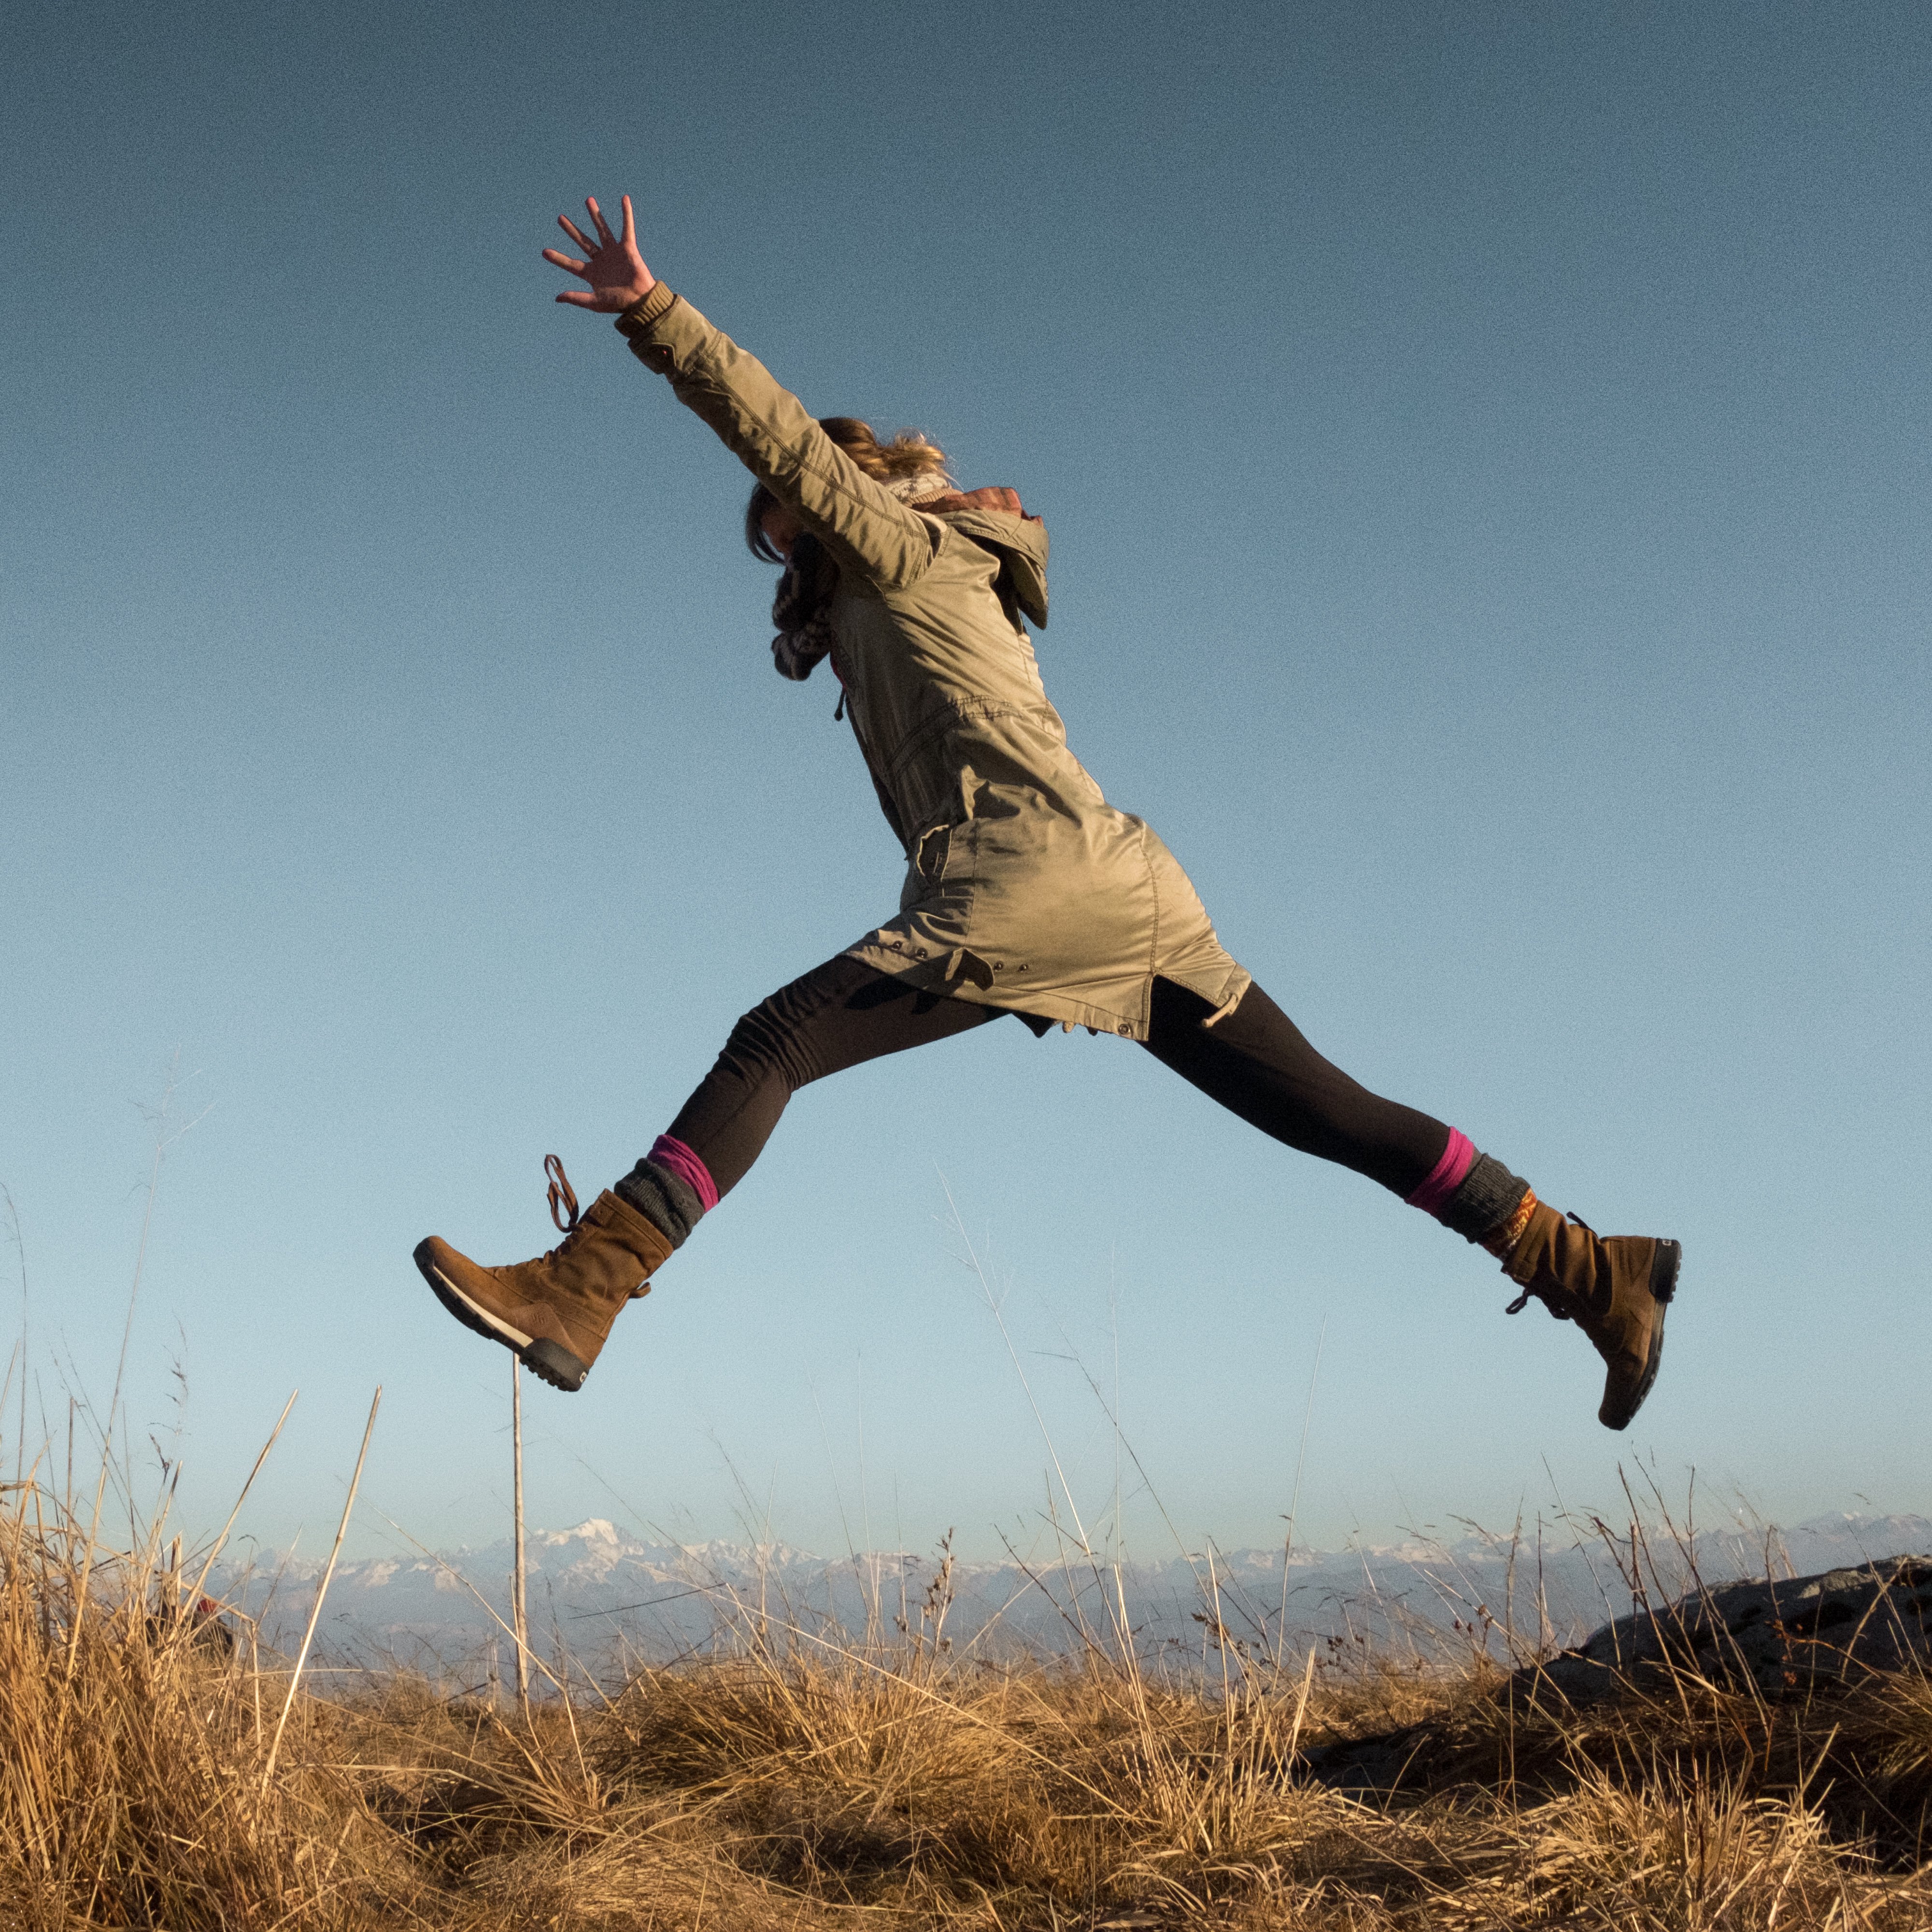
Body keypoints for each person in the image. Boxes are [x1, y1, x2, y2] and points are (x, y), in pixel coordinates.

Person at [414, 193, 1681, 1431]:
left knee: (777, 1042)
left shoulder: (897, 545)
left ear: (852, 491)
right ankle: (1591, 1270)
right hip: (1133, 892)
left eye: (796, 526)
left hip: (1028, 890)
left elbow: (778, 435)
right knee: (1330, 1113)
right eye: (779, 547)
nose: (792, 553)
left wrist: (656, 315)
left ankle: (583, 1289)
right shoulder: (938, 580)